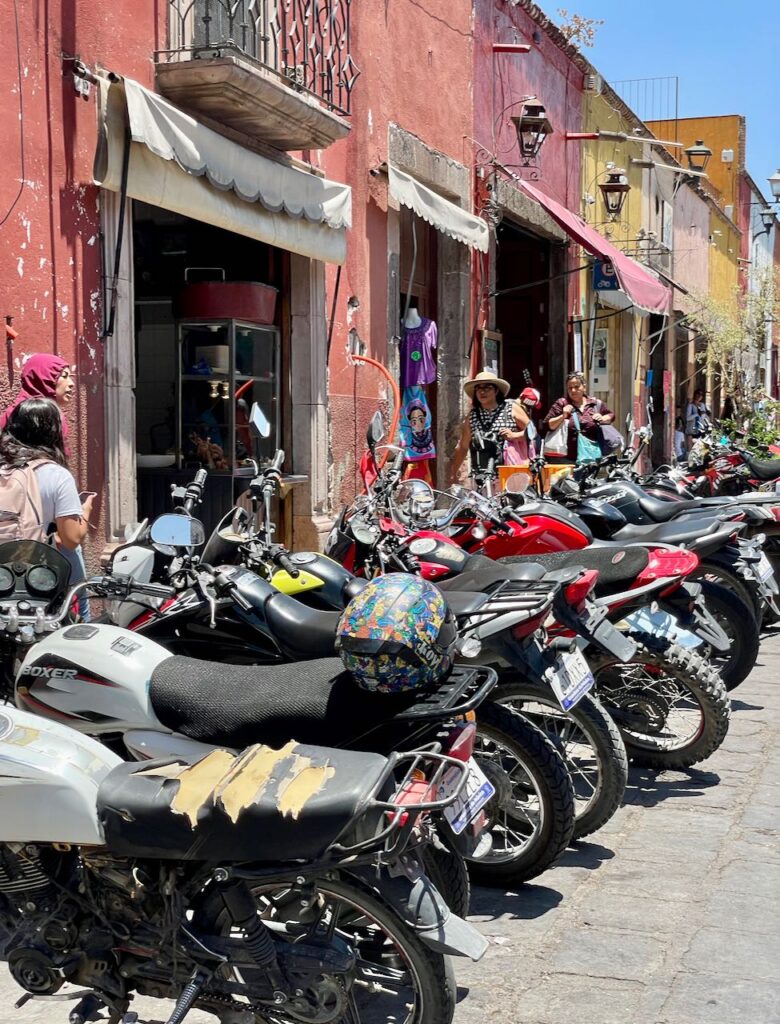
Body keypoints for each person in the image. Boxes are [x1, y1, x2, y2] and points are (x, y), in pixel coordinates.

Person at [0, 398, 92, 564]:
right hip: (28, 574)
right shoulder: (56, 475)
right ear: (53, 431)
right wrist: (86, 510)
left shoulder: (3, 467)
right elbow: (71, 540)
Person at [450, 370, 527, 482]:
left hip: (510, 473)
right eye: (479, 388)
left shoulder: (511, 408)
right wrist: (453, 473)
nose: (482, 392)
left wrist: (514, 435)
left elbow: (533, 433)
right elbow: (463, 447)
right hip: (482, 475)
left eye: (487, 388)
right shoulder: (473, 416)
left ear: (496, 391)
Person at [541, 372, 615, 464]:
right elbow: (547, 425)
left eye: (576, 387)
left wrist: (603, 418)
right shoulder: (561, 403)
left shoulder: (595, 404)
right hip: (566, 459)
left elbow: (611, 415)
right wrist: (563, 416)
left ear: (584, 387)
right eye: (570, 388)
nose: (573, 390)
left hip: (590, 458)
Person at [0, 353, 75, 439]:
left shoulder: (54, 414)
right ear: (44, 378)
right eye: (64, 376)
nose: (71, 383)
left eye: (70, 377)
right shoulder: (22, 414)